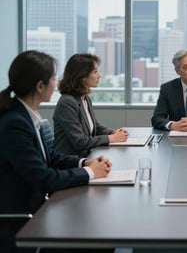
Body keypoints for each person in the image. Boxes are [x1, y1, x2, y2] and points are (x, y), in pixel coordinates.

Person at [0, 50, 112, 252]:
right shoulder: (15, 124)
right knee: (100, 238)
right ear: (40, 86)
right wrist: (90, 173)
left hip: (40, 209)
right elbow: (44, 178)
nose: (56, 83)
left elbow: (49, 158)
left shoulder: (25, 115)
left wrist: (84, 163)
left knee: (100, 230)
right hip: (25, 221)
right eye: (52, 78)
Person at [53, 53, 129, 157]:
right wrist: (111, 138)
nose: (99, 75)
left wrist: (113, 132)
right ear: (83, 76)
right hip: (70, 163)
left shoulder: (85, 98)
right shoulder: (67, 103)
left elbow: (95, 128)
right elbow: (80, 142)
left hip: (86, 157)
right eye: (95, 72)